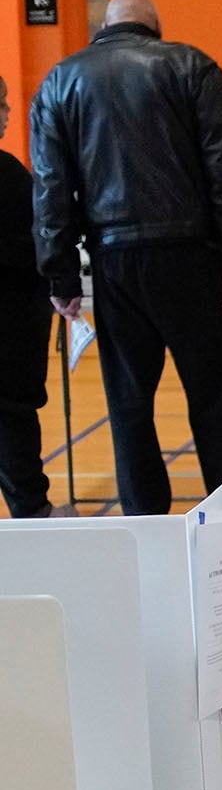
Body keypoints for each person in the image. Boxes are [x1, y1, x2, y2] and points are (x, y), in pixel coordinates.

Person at [29, 0, 222, 554]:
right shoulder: (193, 66)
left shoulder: (59, 82)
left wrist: (61, 276)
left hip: (114, 260)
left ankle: (146, 531)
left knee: (128, 400)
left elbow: (51, 187)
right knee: (217, 398)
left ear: (107, 28)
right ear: (154, 29)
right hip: (191, 255)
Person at [1, 78, 53, 518]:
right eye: (1, 106)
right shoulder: (10, 178)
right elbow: (36, 249)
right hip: (10, 341)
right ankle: (33, 517)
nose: (7, 115)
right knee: (15, 435)